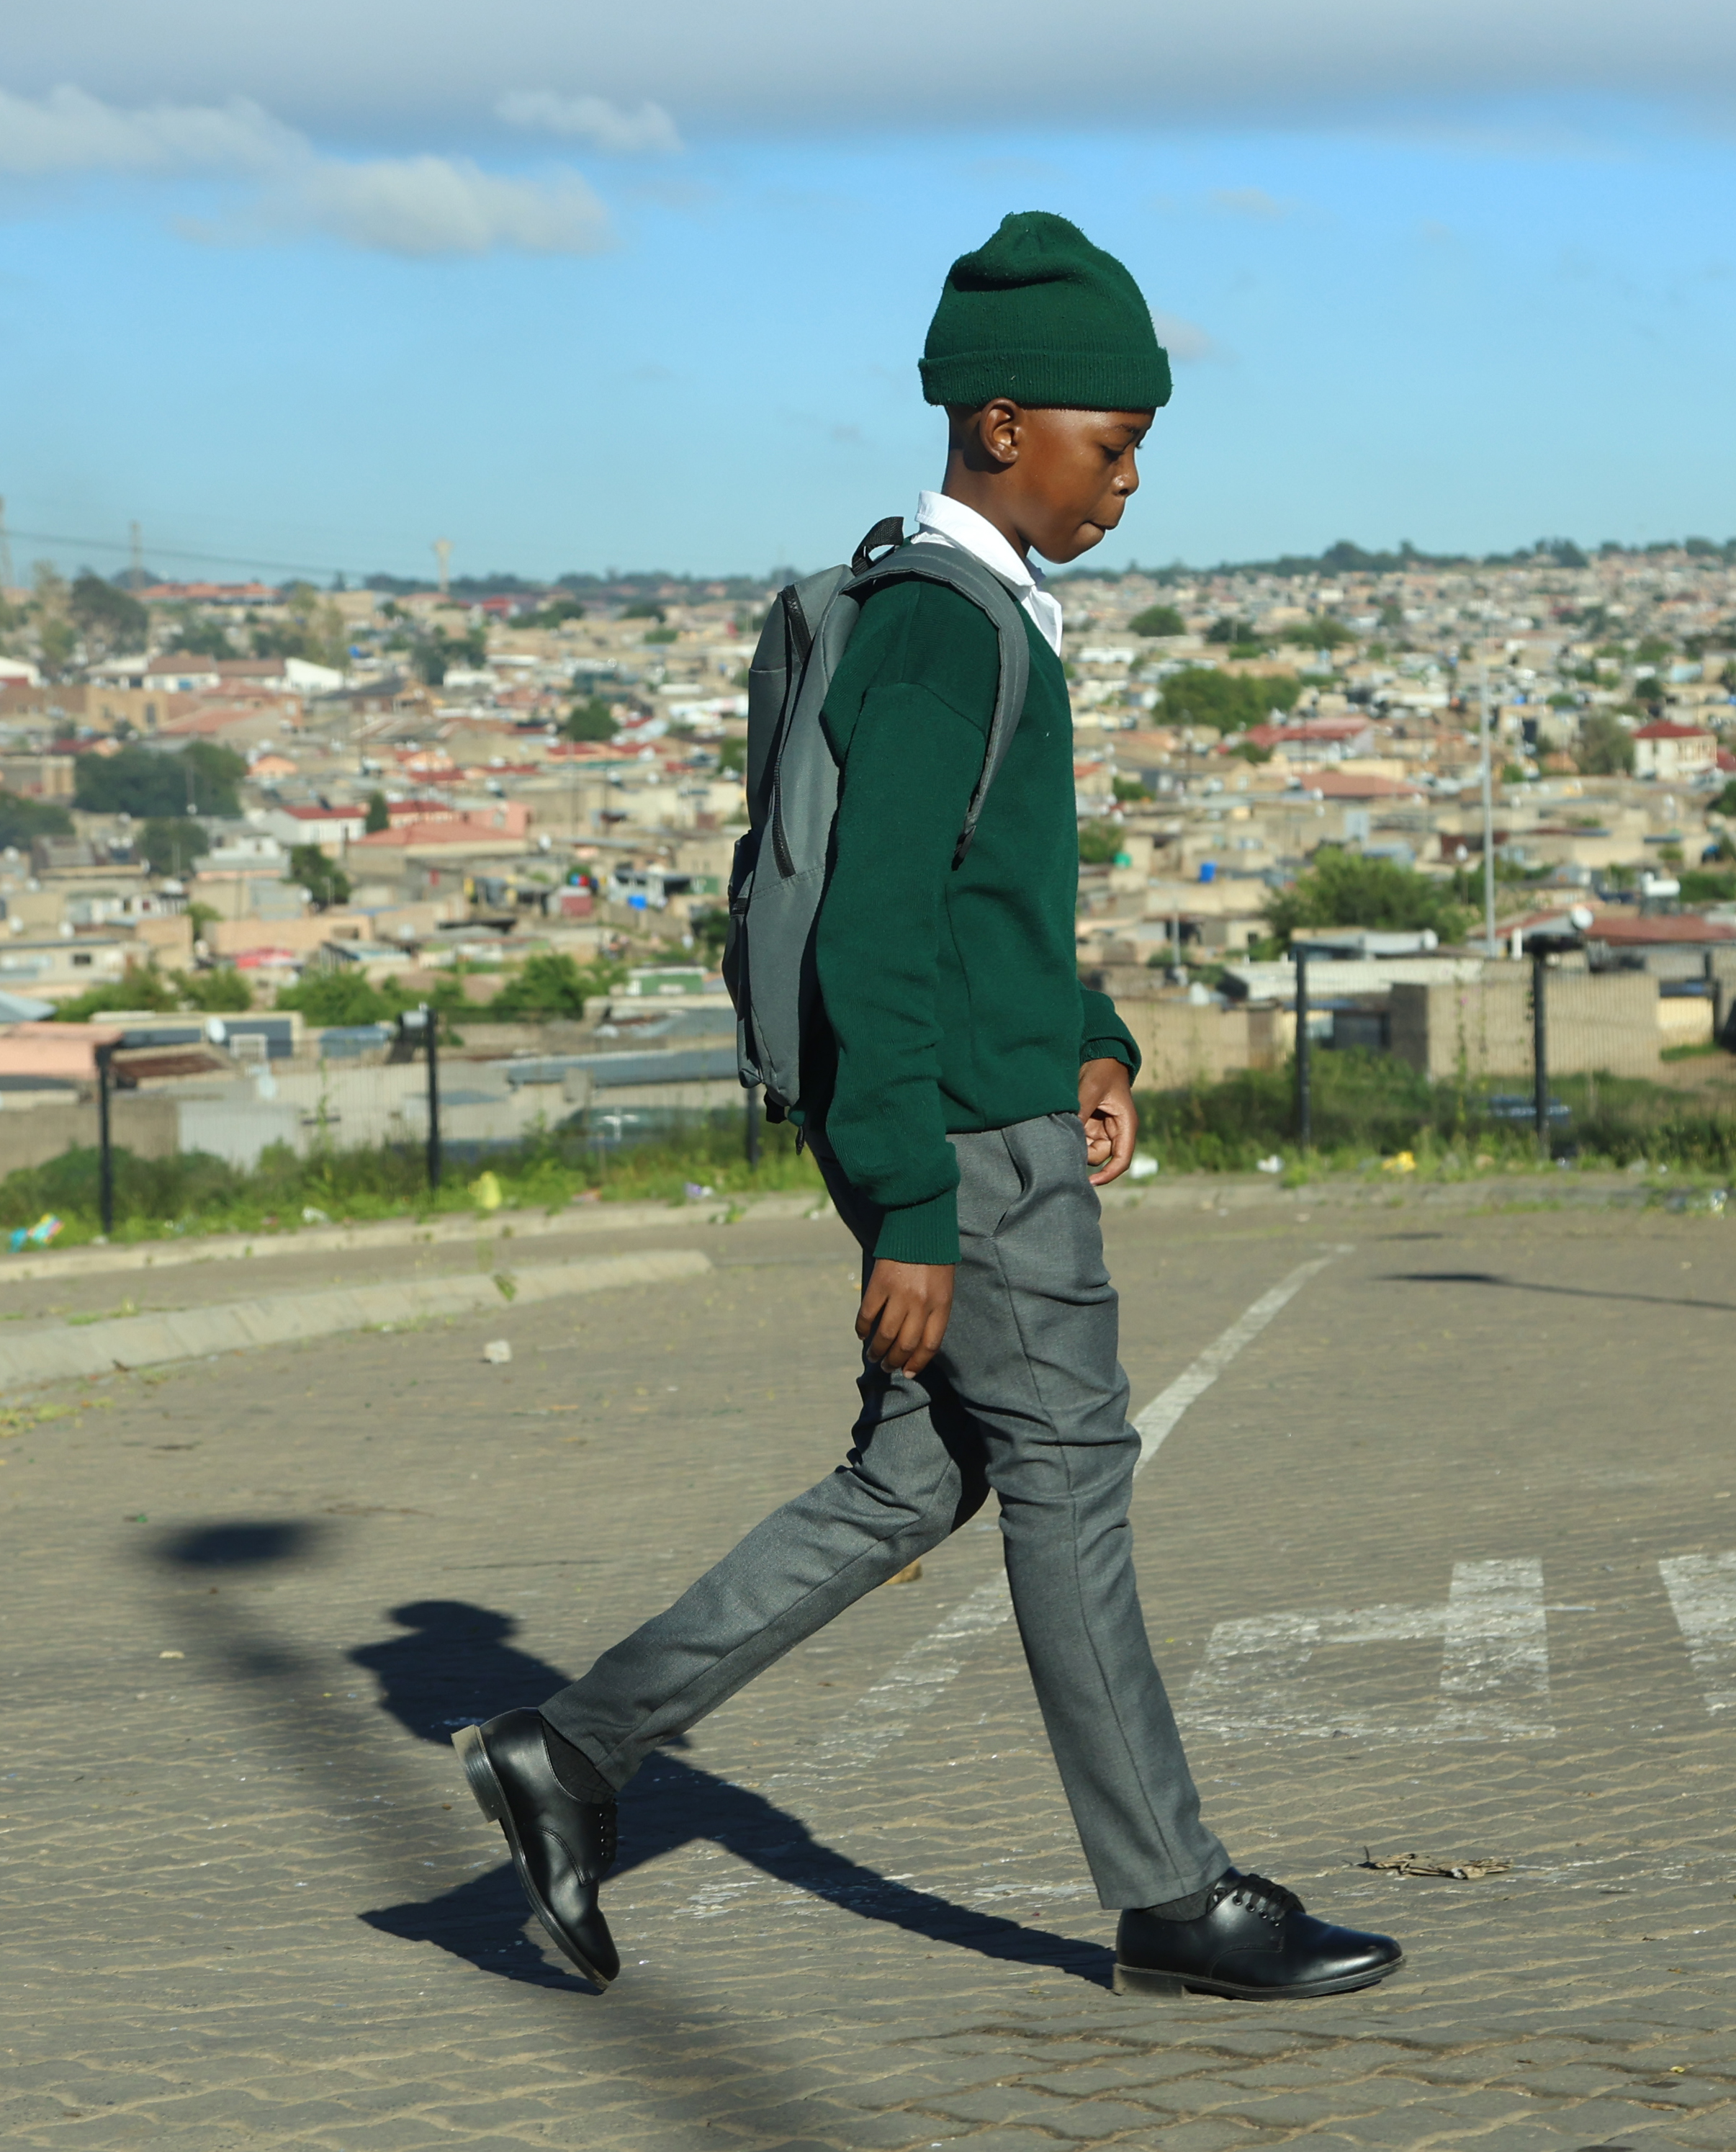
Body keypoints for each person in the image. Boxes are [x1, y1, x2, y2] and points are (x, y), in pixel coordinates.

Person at [455, 212, 1400, 2002]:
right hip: (964, 1145)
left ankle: (567, 1752)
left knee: (911, 1477)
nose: (1127, 483)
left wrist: (1090, 1038)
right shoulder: (946, 630)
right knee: (1070, 1469)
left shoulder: (950, 607)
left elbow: (983, 907)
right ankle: (1170, 1894)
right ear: (999, 422)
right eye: (1110, 445)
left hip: (978, 1108)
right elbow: (873, 932)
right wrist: (907, 1199)